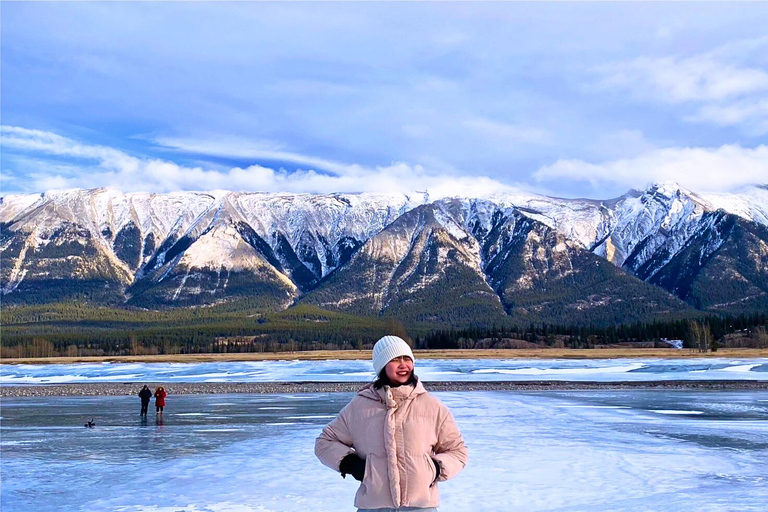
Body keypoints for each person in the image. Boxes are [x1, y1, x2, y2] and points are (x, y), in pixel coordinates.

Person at [315, 335, 467, 512]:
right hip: (373, 506)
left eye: (407, 359)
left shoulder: (432, 406)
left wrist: (434, 469)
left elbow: (458, 451)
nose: (403, 364)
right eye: (395, 359)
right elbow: (324, 443)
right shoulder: (359, 407)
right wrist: (352, 465)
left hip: (420, 506)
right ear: (382, 366)